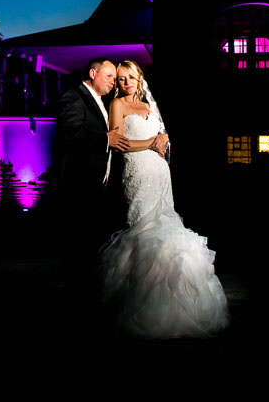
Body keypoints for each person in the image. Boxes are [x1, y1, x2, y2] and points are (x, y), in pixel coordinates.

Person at [97, 60, 229, 339]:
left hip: (159, 172)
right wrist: (150, 142)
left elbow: (165, 134)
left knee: (167, 229)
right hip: (137, 172)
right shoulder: (118, 105)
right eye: (120, 79)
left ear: (139, 78)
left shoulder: (150, 106)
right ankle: (137, 304)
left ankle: (174, 304)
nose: (125, 83)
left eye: (129, 78)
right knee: (144, 231)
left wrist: (164, 137)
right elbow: (118, 143)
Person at [55, 58, 130, 308]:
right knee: (79, 246)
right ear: (92, 73)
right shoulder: (73, 97)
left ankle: (87, 295)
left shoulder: (103, 102)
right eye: (108, 76)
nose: (113, 82)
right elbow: (71, 132)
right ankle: (75, 299)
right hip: (80, 185)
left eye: (113, 78)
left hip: (97, 185)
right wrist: (105, 139)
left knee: (92, 245)